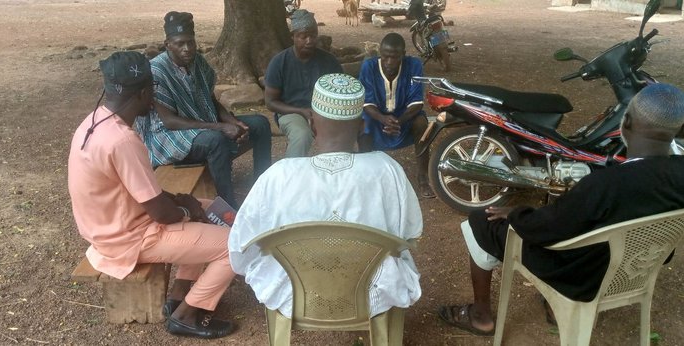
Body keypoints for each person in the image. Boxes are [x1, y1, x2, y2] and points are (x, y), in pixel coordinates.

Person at [437, 83, 684, 335]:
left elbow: (547, 229)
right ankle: (553, 308)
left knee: (479, 220)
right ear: (679, 128)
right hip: (631, 270)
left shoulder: (605, 184)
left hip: (581, 276)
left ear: (626, 122)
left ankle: (480, 317)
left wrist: (516, 213)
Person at [68, 51, 236, 339]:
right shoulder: (122, 140)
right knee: (235, 245)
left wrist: (185, 203)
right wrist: (187, 211)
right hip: (127, 239)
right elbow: (163, 214)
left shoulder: (95, 121)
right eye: (154, 92)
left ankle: (178, 297)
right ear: (145, 92)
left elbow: (141, 191)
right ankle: (187, 316)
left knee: (210, 208)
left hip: (110, 227)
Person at [229, 73, 423, 318]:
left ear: (311, 125)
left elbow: (241, 248)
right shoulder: (387, 170)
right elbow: (410, 233)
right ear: (362, 126)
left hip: (292, 294)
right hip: (373, 295)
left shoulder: (278, 175)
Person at [136, 11, 272, 208]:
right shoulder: (156, 71)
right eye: (180, 43)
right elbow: (169, 121)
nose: (187, 49)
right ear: (167, 45)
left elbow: (211, 101)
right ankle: (228, 207)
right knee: (214, 140)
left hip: (200, 124)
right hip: (166, 136)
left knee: (260, 123)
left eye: (191, 42)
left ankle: (263, 189)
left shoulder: (198, 62)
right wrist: (221, 127)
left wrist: (233, 122)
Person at [357, 32, 434, 198]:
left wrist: (397, 121)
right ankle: (366, 177)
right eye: (385, 57)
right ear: (380, 54)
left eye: (394, 57)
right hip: (376, 117)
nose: (389, 62)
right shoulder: (369, 67)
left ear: (403, 55)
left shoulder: (414, 65)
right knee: (362, 124)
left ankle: (422, 178)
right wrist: (383, 119)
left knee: (421, 124)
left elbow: (417, 102)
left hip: (404, 117)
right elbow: (366, 102)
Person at [264, 9, 343, 158]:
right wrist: (301, 111)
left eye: (313, 35)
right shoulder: (279, 62)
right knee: (301, 135)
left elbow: (339, 93)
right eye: (303, 36)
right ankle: (291, 176)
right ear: (293, 36)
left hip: (324, 112)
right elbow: (270, 102)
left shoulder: (329, 61)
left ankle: (333, 175)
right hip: (291, 112)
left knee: (339, 136)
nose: (309, 40)